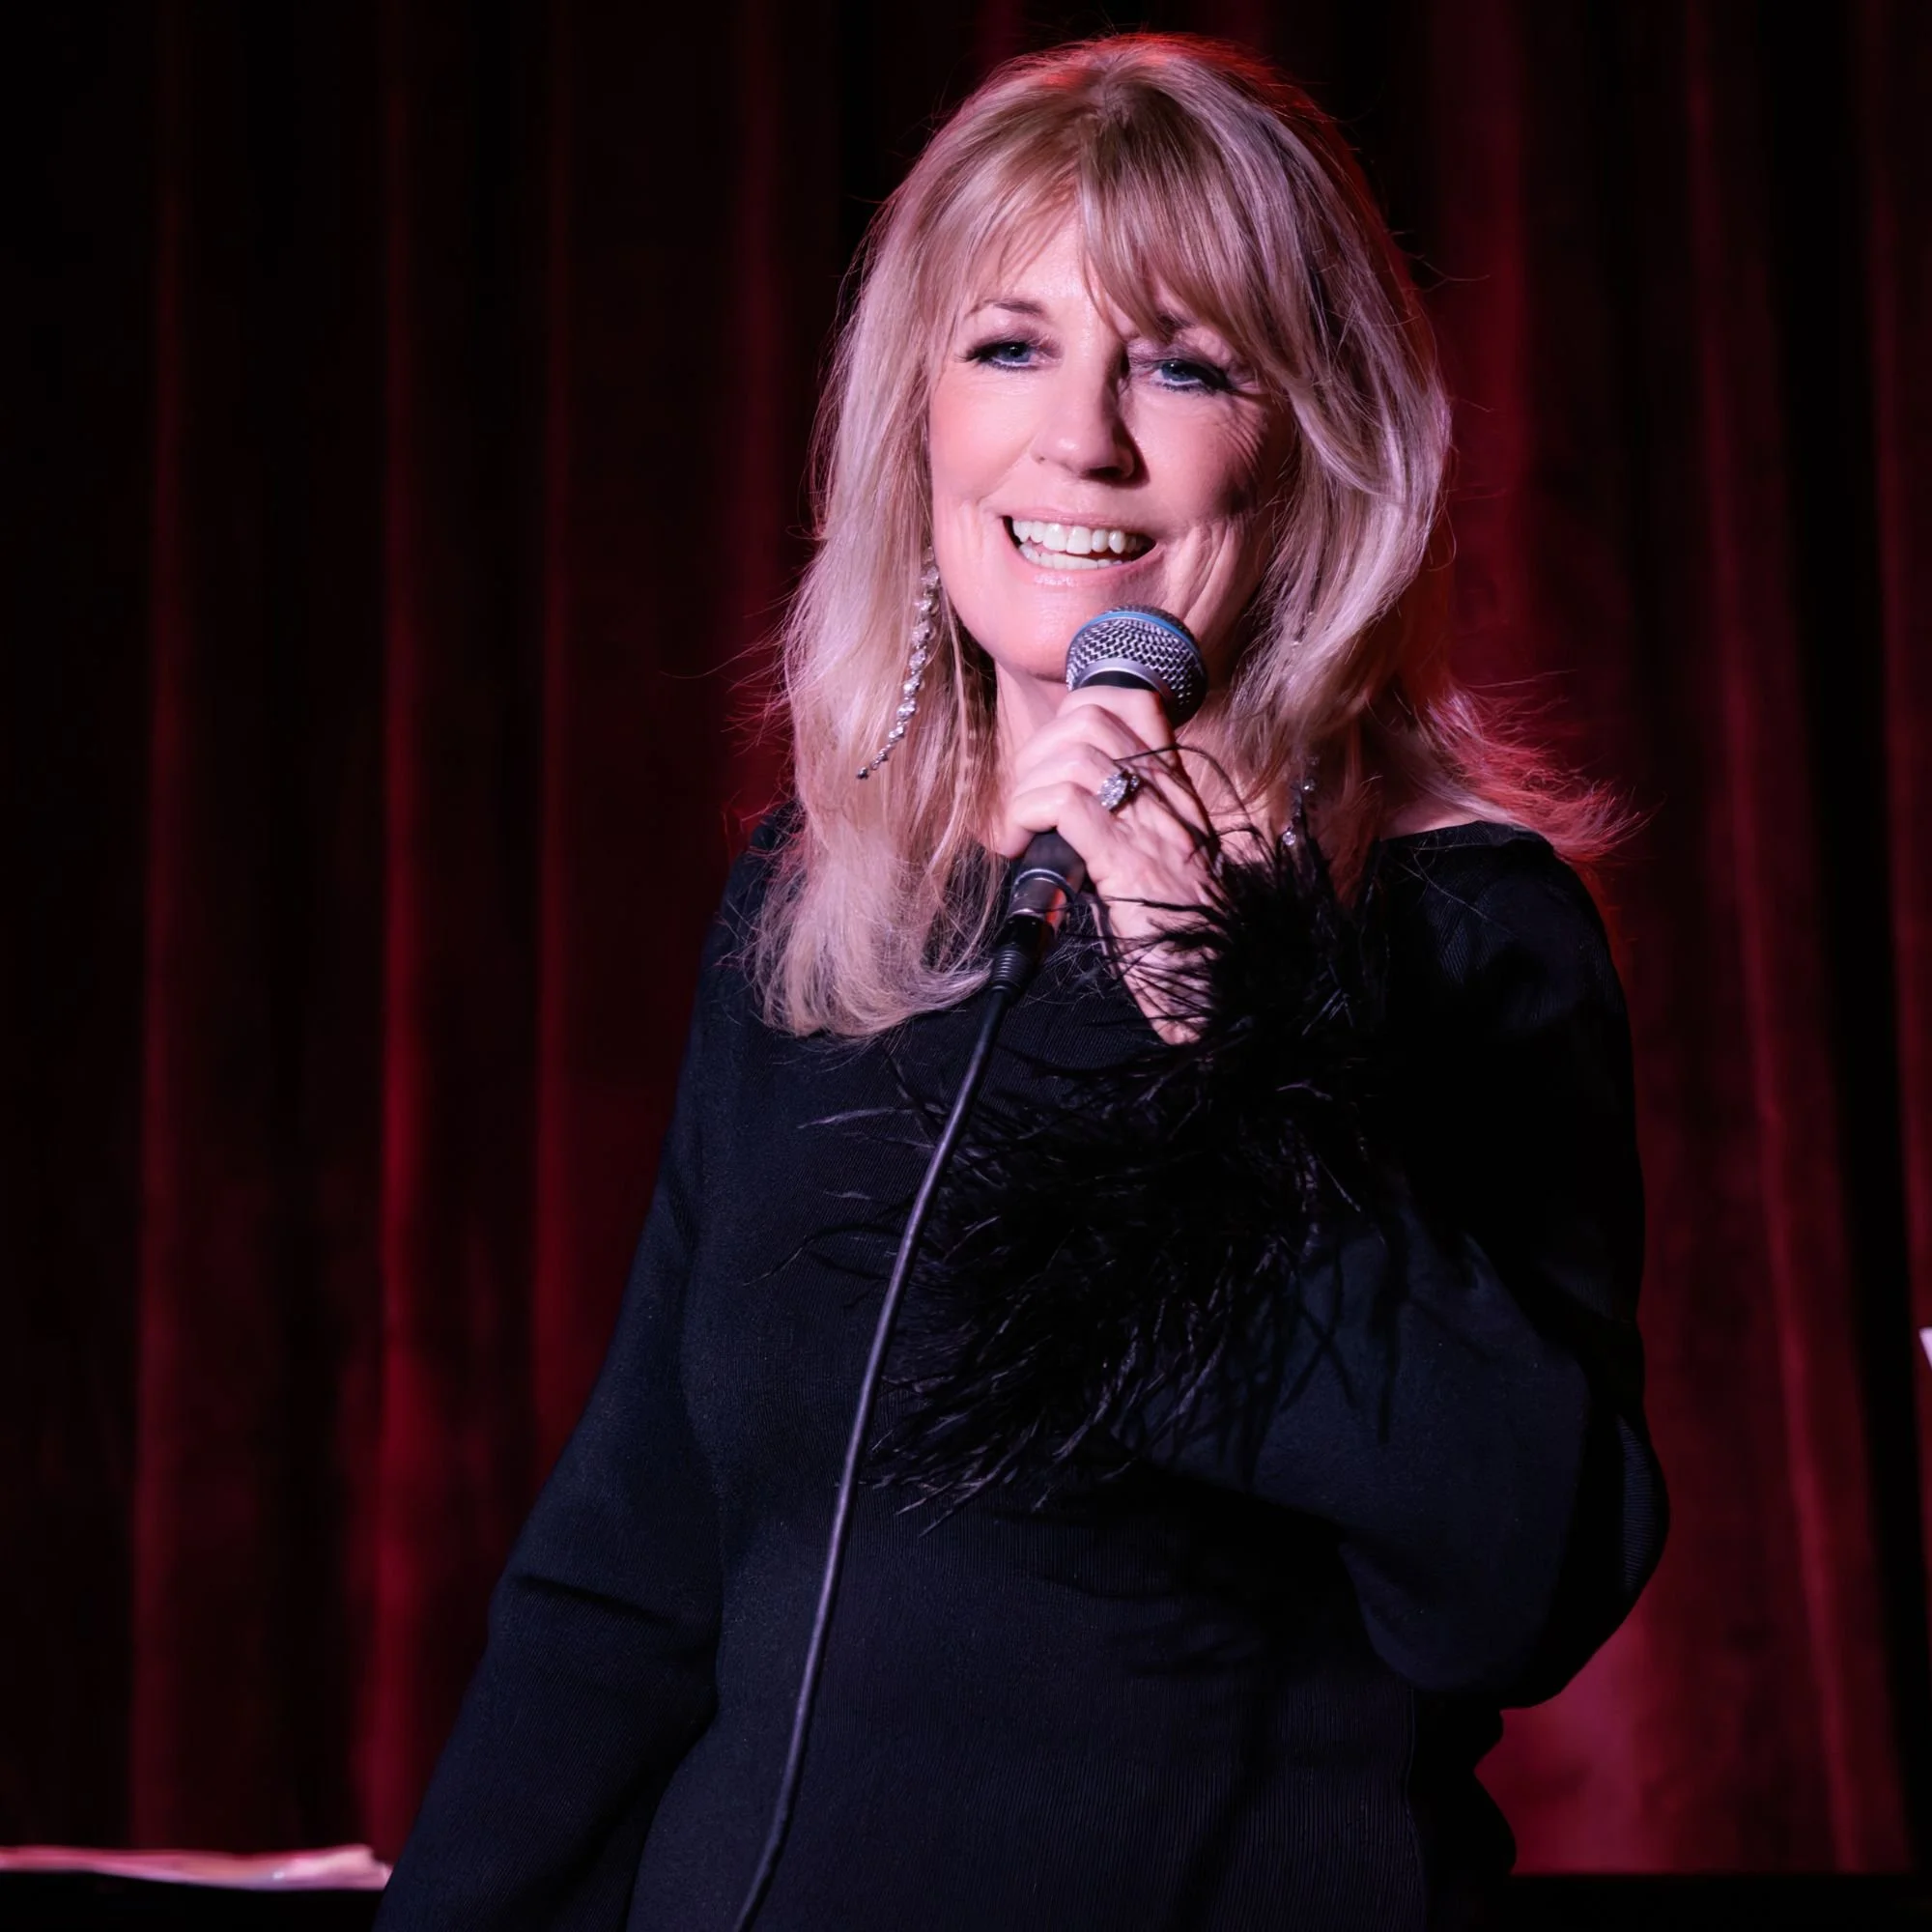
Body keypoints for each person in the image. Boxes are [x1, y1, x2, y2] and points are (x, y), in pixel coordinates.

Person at [376, 34, 1667, 1932]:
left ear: (1312, 444)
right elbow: (623, 1584)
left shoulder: (1455, 933)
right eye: (1009, 347)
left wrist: (1213, 1014)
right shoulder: (811, 922)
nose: (1081, 440)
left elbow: (1517, 1574)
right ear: (917, 414)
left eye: (1182, 362)